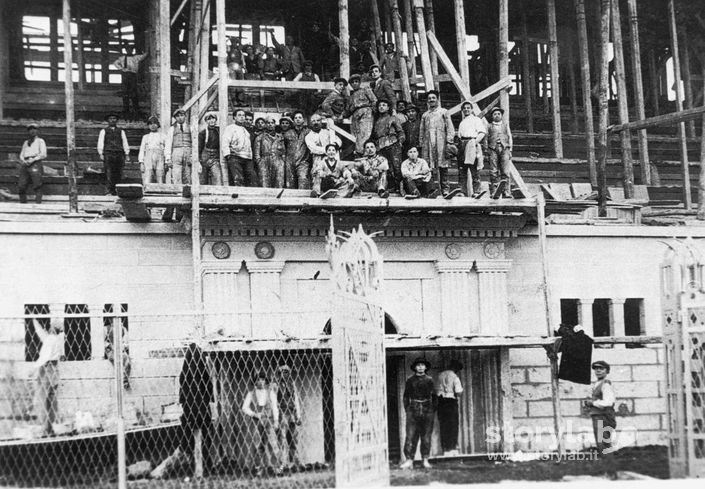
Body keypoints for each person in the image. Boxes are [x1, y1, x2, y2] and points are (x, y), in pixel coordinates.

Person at [242, 372, 281, 476]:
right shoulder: (251, 393)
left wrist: (276, 420)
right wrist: (254, 414)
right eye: (258, 379)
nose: (261, 382)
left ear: (266, 381)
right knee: (258, 446)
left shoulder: (270, 392)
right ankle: (259, 469)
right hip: (257, 422)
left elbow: (274, 407)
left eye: (263, 379)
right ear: (255, 381)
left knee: (273, 444)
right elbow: (244, 407)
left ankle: (278, 469)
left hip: (269, 421)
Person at [400, 358, 435, 470]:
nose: (420, 367)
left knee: (426, 437)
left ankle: (425, 459)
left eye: (422, 365)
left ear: (425, 367)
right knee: (410, 436)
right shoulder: (410, 380)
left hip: (427, 410)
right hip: (413, 410)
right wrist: (408, 409)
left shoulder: (430, 380)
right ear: (415, 367)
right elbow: (406, 396)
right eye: (418, 365)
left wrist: (431, 410)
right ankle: (409, 460)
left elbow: (434, 397)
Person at [419, 91, 455, 196]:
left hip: (441, 142)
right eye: (429, 98)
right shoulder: (425, 115)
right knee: (429, 166)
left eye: (433, 98)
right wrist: (421, 142)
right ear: (427, 101)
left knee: (443, 166)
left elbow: (450, 127)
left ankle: (445, 190)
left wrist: (449, 140)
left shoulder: (444, 112)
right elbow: (422, 130)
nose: (431, 100)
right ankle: (432, 190)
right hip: (428, 143)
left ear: (437, 99)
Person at [32, 317, 64, 437]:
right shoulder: (55, 339)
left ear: (51, 328)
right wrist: (34, 321)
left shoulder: (50, 340)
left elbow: (45, 356)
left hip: (47, 368)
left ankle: (45, 429)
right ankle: (51, 428)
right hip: (55, 369)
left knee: (43, 399)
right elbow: (41, 334)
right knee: (51, 400)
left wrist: (34, 368)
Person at [272, 365, 302, 468]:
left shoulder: (292, 384)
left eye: (286, 372)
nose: (284, 374)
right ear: (278, 374)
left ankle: (294, 464)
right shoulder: (275, 386)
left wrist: (298, 415)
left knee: (293, 439)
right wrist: (276, 419)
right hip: (282, 412)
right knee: (282, 439)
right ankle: (283, 464)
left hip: (292, 412)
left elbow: (296, 399)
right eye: (281, 372)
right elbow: (274, 403)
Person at [584, 360, 617, 456]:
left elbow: (608, 402)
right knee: (602, 443)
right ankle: (607, 467)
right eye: (596, 369)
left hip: (603, 416)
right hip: (598, 416)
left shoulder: (606, 384)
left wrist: (593, 403)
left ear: (607, 371)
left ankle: (609, 468)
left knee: (603, 444)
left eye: (601, 369)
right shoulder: (597, 383)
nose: (598, 371)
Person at [373, 99, 405, 193]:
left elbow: (400, 131)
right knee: (386, 167)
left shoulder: (393, 118)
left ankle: (399, 187)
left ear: (388, 107)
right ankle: (389, 187)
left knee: (396, 166)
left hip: (393, 144)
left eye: (384, 105)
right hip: (381, 146)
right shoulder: (377, 121)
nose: (381, 107)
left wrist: (400, 142)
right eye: (380, 105)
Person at [457, 102, 487, 198]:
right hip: (462, 144)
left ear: (472, 109)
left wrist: (474, 143)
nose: (466, 109)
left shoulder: (476, 120)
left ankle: (477, 191)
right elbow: (459, 135)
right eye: (464, 108)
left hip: (472, 143)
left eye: (468, 108)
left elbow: (482, 133)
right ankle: (463, 191)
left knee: (474, 170)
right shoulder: (462, 122)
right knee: (462, 170)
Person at [222, 109, 258, 187]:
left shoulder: (245, 130)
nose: (242, 117)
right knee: (238, 179)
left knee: (252, 178)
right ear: (234, 118)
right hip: (235, 157)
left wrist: (250, 156)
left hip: (247, 158)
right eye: (239, 115)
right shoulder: (230, 128)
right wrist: (228, 155)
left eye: (243, 115)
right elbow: (225, 142)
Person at [97, 113, 131, 195]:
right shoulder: (104, 131)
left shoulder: (121, 131)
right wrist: (101, 153)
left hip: (119, 154)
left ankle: (118, 190)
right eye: (111, 118)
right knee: (109, 172)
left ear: (117, 120)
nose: (112, 120)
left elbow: (124, 142)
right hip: (108, 153)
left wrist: (126, 154)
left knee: (118, 172)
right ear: (108, 120)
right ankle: (109, 190)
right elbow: (100, 142)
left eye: (114, 118)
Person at [436, 360, 464, 456]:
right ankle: (452, 448)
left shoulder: (440, 375)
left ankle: (445, 449)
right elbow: (459, 391)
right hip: (451, 402)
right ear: (456, 368)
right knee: (453, 425)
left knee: (443, 425)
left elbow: (437, 390)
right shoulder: (455, 377)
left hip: (440, 402)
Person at [305, 114, 341, 185]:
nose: (316, 123)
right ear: (310, 123)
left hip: (331, 158)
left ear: (321, 122)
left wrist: (335, 144)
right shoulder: (308, 137)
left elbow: (338, 140)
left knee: (334, 177)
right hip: (318, 159)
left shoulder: (327, 132)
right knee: (318, 177)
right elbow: (314, 148)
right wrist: (329, 149)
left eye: (318, 120)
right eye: (313, 121)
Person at [113, 45, 148, 119]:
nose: (129, 50)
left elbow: (144, 56)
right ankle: (126, 110)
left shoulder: (136, 57)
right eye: (128, 49)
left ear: (132, 50)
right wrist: (121, 68)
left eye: (131, 49)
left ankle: (136, 110)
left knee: (133, 92)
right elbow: (115, 63)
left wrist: (145, 52)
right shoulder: (122, 58)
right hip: (125, 76)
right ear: (126, 50)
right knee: (125, 93)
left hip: (133, 75)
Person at [486, 107, 513, 199]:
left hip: (504, 148)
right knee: (493, 171)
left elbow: (509, 137)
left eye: (498, 114)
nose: (497, 115)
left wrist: (510, 150)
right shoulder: (489, 126)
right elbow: (486, 138)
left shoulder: (505, 125)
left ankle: (506, 191)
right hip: (493, 149)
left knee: (505, 171)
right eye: (495, 114)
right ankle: (494, 191)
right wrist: (487, 150)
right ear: (492, 116)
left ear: (501, 115)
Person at [347, 73, 377, 156]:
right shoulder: (351, 97)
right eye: (352, 82)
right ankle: (358, 154)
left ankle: (365, 154)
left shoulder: (365, 90)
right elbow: (347, 111)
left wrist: (373, 112)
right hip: (355, 117)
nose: (355, 83)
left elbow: (374, 101)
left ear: (359, 82)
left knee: (365, 135)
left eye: (356, 81)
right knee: (355, 136)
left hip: (366, 114)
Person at [17, 124, 47, 204]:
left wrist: (33, 160)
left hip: (35, 163)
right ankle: (23, 204)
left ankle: (38, 204)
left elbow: (43, 154)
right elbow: (21, 154)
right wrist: (24, 160)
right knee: (21, 185)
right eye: (30, 129)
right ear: (28, 131)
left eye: (34, 129)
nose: (32, 131)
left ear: (37, 131)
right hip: (25, 163)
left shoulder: (40, 141)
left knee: (37, 184)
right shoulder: (26, 142)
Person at [254, 117, 286, 188]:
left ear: (275, 124)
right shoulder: (260, 137)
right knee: (264, 182)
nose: (270, 125)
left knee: (278, 182)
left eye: (272, 123)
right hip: (264, 160)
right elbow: (256, 152)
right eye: (268, 123)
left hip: (278, 161)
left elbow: (283, 151)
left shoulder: (280, 137)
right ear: (265, 125)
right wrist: (259, 162)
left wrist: (282, 161)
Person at [282, 111, 311, 189]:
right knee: (290, 184)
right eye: (296, 118)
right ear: (293, 121)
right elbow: (283, 148)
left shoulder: (308, 132)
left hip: (303, 162)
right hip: (289, 163)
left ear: (303, 120)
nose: (298, 119)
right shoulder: (287, 134)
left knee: (303, 180)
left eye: (300, 117)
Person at [165, 109, 193, 185]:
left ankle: (187, 193)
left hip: (188, 151)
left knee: (187, 175)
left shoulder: (191, 128)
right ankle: (178, 193)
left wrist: (192, 155)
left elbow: (194, 143)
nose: (180, 118)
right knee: (176, 175)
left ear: (185, 116)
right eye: (177, 116)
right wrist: (168, 158)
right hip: (176, 152)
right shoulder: (172, 129)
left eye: (182, 115)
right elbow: (168, 144)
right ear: (175, 118)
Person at [138, 116, 166, 185]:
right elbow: (142, 150)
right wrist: (141, 162)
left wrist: (166, 161)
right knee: (147, 176)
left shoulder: (163, 136)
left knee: (160, 176)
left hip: (160, 158)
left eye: (155, 123)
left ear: (158, 125)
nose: (153, 126)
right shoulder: (145, 137)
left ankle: (160, 192)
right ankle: (146, 192)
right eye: (150, 124)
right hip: (148, 158)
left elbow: (166, 149)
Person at [198, 113, 223, 186]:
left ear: (216, 120)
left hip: (215, 157)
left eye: (213, 118)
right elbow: (199, 146)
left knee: (217, 176)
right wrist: (199, 159)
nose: (211, 121)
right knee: (203, 178)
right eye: (209, 119)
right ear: (206, 121)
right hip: (204, 158)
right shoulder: (203, 132)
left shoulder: (219, 131)